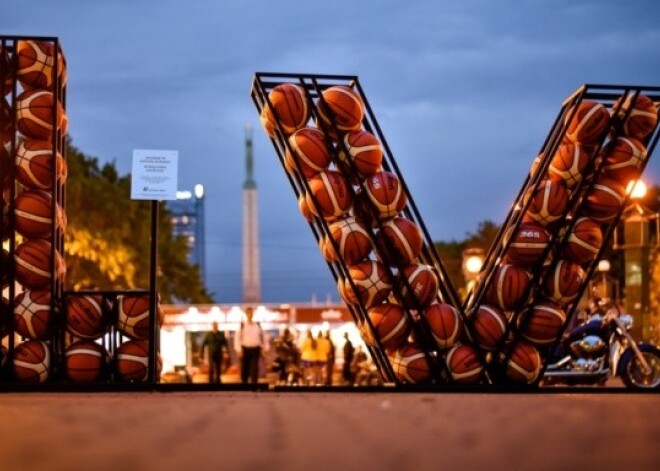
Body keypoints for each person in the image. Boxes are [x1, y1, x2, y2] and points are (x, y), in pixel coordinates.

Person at [234, 307, 269, 384]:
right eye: (248, 313)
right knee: (244, 368)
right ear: (246, 314)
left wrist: (265, 347)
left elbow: (264, 336)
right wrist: (239, 350)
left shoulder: (258, 325)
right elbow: (237, 338)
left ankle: (254, 385)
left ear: (253, 314)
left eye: (251, 313)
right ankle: (244, 384)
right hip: (245, 349)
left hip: (255, 349)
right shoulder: (242, 326)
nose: (250, 314)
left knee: (254, 368)